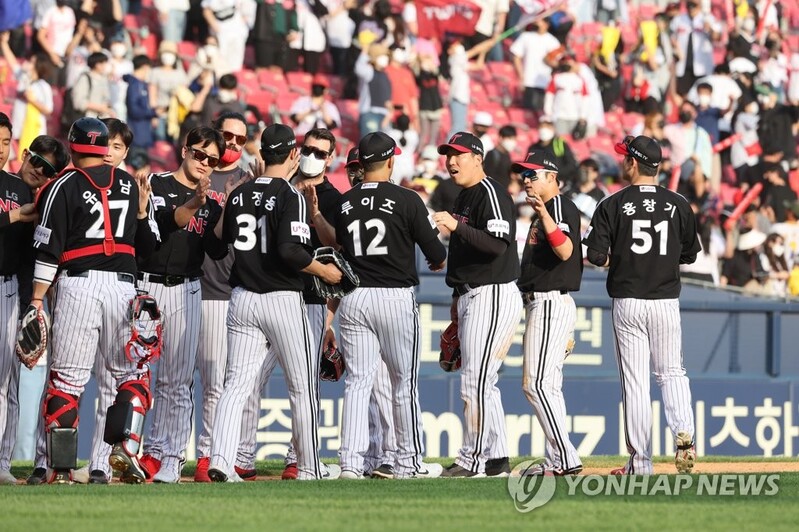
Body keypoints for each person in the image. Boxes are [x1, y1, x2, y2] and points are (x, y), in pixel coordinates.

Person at [208, 123, 342, 482]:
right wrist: (325, 273)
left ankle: (220, 460)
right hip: (283, 298)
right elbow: (290, 251)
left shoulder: (240, 193)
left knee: (235, 385)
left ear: (262, 153)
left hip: (242, 298)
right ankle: (310, 467)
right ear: (293, 155)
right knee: (302, 388)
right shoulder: (291, 194)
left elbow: (215, 245)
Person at [29, 117, 158, 484]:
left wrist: (36, 300)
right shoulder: (129, 184)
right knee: (129, 375)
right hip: (123, 286)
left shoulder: (62, 185)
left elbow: (47, 249)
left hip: (79, 284)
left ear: (72, 147)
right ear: (104, 147)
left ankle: (60, 467)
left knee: (67, 380)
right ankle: (123, 449)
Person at [329, 132, 447, 479]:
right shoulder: (408, 199)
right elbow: (438, 257)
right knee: (403, 383)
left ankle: (351, 463)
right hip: (394, 296)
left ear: (361, 164)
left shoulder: (345, 202)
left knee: (358, 383)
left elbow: (337, 246)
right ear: (392, 161)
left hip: (353, 296)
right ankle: (407, 462)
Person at [583, 135, 700, 475]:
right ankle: (685, 434)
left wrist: (622, 255)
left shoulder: (612, 204)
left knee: (635, 382)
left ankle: (640, 462)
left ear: (633, 163)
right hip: (665, 301)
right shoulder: (679, 204)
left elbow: (596, 256)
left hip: (628, 301)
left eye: (625, 158)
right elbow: (689, 255)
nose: (622, 163)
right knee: (672, 373)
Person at [136, 127, 228, 484]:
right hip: (147, 284)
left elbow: (217, 252)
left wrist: (226, 215)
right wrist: (196, 204)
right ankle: (142, 451)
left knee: (176, 380)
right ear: (185, 150)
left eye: (212, 160)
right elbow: (162, 225)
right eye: (200, 154)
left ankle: (169, 456)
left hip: (188, 288)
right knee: (138, 375)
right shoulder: (156, 184)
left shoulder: (213, 202)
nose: (205, 163)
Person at [431, 132, 523, 477]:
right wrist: (456, 298)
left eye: (458, 154)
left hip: (494, 291)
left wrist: (455, 226)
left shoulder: (490, 192)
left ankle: (471, 459)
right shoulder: (464, 197)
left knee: (475, 380)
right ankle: (496, 458)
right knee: (484, 381)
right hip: (472, 294)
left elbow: (498, 243)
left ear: (477, 158)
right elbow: (465, 250)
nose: (451, 161)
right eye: (447, 155)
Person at [71, 118, 135, 485]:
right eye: (105, 145)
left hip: (119, 287)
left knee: (113, 383)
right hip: (84, 287)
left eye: (117, 147)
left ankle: (101, 463)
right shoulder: (74, 184)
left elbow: (144, 244)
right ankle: (51, 462)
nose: (108, 152)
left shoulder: (131, 187)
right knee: (70, 378)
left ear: (125, 153)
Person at [512, 150, 584, 476]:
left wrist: (544, 216)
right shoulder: (546, 210)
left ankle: (566, 457)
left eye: (533, 174)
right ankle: (557, 459)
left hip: (551, 302)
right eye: (524, 174)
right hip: (543, 302)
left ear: (552, 178)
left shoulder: (559, 206)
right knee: (548, 386)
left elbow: (566, 250)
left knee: (537, 385)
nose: (526, 180)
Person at [192, 113, 252, 483]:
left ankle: (218, 456)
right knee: (187, 381)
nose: (232, 143)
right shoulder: (194, 170)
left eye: (240, 139)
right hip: (192, 286)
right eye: (227, 135)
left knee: (227, 382)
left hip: (234, 290)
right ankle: (183, 456)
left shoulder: (249, 181)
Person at [482, 125, 517, 190]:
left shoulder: (507, 155)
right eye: (510, 138)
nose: (512, 142)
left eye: (514, 139)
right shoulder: (492, 154)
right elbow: (487, 177)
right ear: (501, 137)